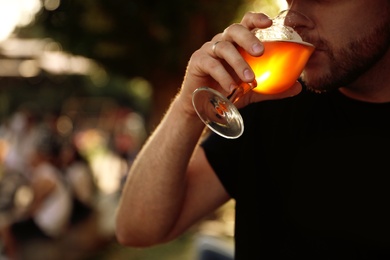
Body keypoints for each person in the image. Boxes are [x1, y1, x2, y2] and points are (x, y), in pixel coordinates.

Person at [115, 0, 390, 259]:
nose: (293, 19)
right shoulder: (274, 100)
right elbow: (137, 228)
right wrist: (188, 108)